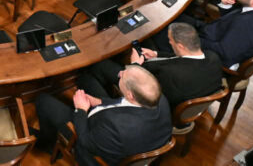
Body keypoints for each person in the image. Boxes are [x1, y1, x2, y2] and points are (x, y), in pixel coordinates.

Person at [32, 64, 171, 164]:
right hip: (122, 132)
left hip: (91, 145)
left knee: (43, 100)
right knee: (85, 80)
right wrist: (98, 102)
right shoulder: (158, 98)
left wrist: (81, 110)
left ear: (130, 95)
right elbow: (122, 103)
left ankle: (47, 144)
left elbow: (85, 141)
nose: (120, 73)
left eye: (122, 76)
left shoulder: (114, 126)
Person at [79, 23, 223, 110]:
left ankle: (106, 99)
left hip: (154, 99)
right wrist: (156, 54)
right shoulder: (213, 57)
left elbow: (146, 90)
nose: (169, 43)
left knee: (100, 64)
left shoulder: (171, 75)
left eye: (170, 41)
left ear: (180, 46)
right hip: (190, 89)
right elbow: (180, 58)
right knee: (148, 41)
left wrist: (135, 65)